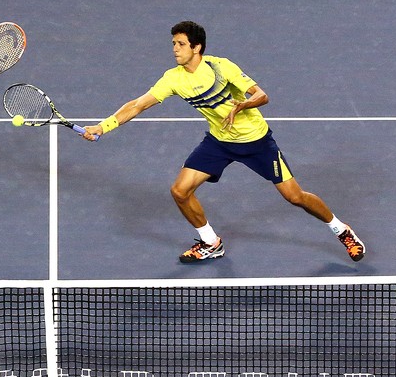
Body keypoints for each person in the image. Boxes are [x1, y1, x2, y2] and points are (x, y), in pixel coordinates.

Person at [82, 21, 366, 263]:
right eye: (173, 44)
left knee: (295, 197)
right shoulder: (173, 79)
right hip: (219, 142)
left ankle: (341, 230)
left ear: (197, 48)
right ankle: (210, 243)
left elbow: (261, 95)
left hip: (257, 142)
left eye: (180, 44)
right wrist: (103, 127)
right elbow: (138, 104)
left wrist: (241, 106)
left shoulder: (222, 68)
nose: (174, 49)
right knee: (180, 191)